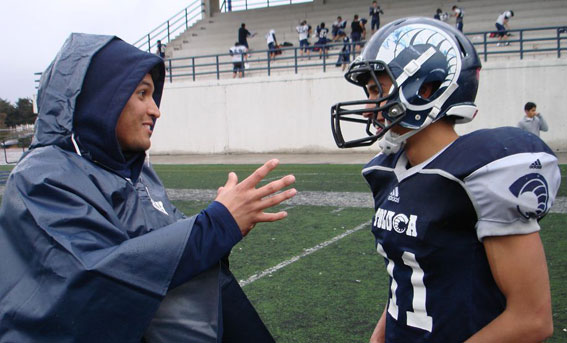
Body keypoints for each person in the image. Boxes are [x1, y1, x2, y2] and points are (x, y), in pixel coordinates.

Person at [0, 33, 297, 342]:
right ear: (101, 97)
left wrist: (224, 229)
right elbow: (95, 280)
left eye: (153, 95)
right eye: (142, 93)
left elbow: (164, 252)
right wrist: (214, 225)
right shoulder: (41, 175)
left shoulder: (136, 173)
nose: (155, 110)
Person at [330, 17, 558, 342]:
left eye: (375, 90)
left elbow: (532, 318)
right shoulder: (386, 171)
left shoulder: (481, 171)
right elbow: (407, 278)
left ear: (426, 88)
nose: (369, 107)